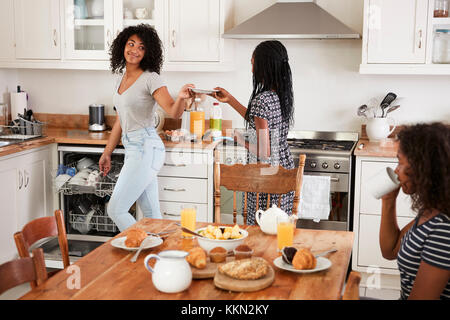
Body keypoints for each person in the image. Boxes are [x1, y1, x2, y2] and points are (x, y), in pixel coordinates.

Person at [99, 24, 194, 231]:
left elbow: (173, 111)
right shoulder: (119, 80)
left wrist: (180, 98)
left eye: (141, 47)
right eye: (131, 44)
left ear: (148, 52)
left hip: (145, 148)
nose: (134, 50)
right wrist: (107, 152)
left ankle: (143, 248)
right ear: (122, 46)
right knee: (152, 215)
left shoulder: (151, 78)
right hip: (134, 148)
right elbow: (120, 120)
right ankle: (159, 258)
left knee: (116, 210)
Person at [212, 40, 295, 225]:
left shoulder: (261, 99)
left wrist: (239, 138)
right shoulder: (280, 94)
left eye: (252, 62)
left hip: (265, 176)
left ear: (262, 66)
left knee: (259, 228)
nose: (251, 68)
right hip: (283, 169)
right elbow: (256, 118)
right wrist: (231, 100)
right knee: (278, 228)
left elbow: (264, 152)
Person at [379, 122, 450, 300]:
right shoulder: (431, 210)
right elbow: (390, 251)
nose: (396, 170)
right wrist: (388, 201)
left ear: (424, 169)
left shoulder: (443, 230)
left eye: (400, 162)